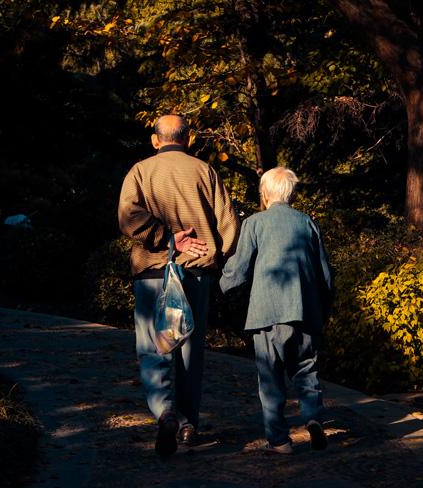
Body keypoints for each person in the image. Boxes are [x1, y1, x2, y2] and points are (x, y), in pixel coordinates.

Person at [118, 115, 240, 457]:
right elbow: (229, 225)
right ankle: (188, 425)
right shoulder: (206, 172)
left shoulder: (140, 171)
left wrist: (167, 239)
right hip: (196, 274)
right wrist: (214, 257)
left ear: (156, 141)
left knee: (154, 347)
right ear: (189, 140)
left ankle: (165, 412)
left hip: (153, 273)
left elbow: (127, 218)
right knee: (190, 351)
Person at [219, 167, 333, 454]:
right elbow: (325, 275)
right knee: (306, 369)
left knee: (270, 377)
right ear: (292, 194)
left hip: (266, 312)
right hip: (304, 311)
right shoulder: (308, 223)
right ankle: (314, 418)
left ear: (264, 194)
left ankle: (279, 440)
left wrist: (220, 286)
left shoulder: (255, 223)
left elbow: (239, 269)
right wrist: (323, 309)